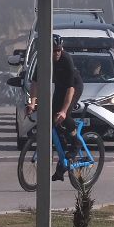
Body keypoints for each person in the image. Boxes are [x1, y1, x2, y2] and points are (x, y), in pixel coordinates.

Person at [26, 36, 81, 181]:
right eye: (54, 50)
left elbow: (70, 88)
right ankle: (62, 161)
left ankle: (76, 144)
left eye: (59, 50)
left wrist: (63, 111)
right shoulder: (43, 60)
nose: (57, 53)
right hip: (60, 88)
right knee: (51, 118)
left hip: (73, 87)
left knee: (63, 115)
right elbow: (35, 83)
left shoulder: (66, 59)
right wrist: (32, 102)